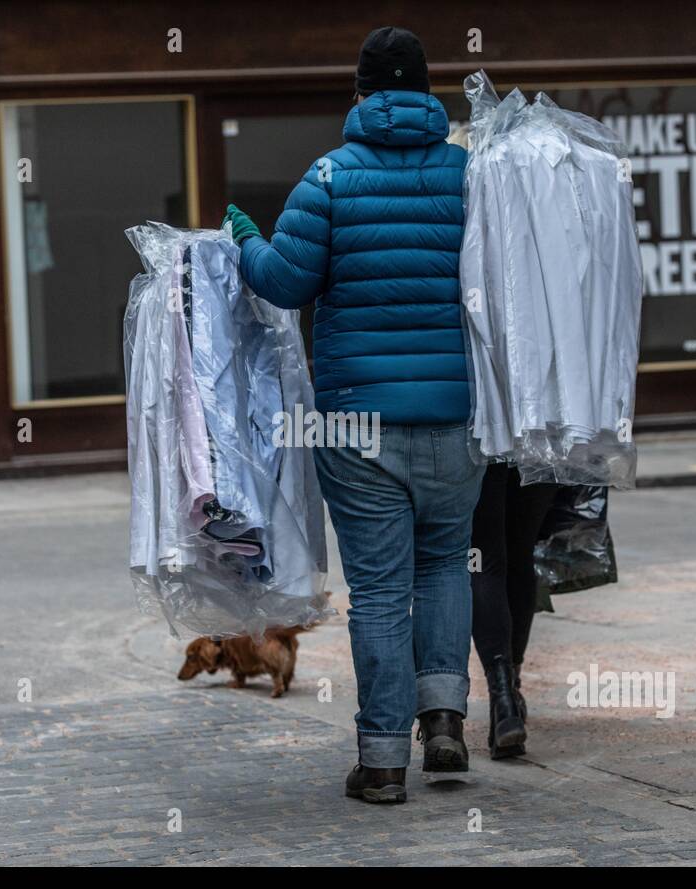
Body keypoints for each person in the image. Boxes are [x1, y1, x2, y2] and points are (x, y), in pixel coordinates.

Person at [224, 27, 481, 805]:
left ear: (361, 93)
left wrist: (244, 238)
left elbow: (284, 284)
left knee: (378, 590)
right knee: (444, 566)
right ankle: (443, 720)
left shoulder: (329, 178)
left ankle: (380, 764)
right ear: (427, 91)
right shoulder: (470, 175)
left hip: (355, 425)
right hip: (454, 413)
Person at [470, 465, 559, 758]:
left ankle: (503, 697)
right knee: (521, 551)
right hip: (538, 431)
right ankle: (510, 692)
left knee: (485, 559)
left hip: (482, 434)